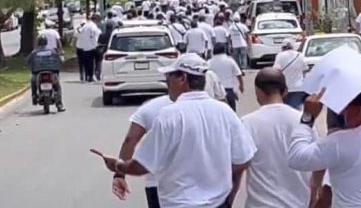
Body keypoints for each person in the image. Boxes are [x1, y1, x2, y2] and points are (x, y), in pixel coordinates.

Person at [91, 54, 257, 208]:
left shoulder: (170, 116)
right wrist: (220, 178)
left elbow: (142, 166)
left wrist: (117, 166)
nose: (166, 82)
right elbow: (244, 158)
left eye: (169, 77)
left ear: (182, 78)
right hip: (218, 203)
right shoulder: (225, 111)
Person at [235, 68, 319, 208]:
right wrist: (314, 193)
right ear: (285, 91)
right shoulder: (304, 121)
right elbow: (316, 162)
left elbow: (239, 165)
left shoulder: (248, 123)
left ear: (257, 91)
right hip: (298, 203)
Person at [111, 94, 173, 207]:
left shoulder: (151, 108)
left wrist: (119, 174)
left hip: (157, 185)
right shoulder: (212, 108)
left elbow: (130, 140)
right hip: (203, 186)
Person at [26, 36, 65, 112]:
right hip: (52, 71)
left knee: (33, 83)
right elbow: (59, 60)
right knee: (57, 87)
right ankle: (59, 105)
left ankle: (34, 97)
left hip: (37, 73)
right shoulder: (52, 51)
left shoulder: (34, 52)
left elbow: (28, 61)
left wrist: (32, 66)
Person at [273, 38, 308, 110]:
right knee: (296, 110)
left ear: (282, 47)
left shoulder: (280, 55)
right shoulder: (300, 55)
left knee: (285, 110)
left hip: (284, 88)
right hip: (298, 87)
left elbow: (276, 71)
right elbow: (305, 70)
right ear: (293, 47)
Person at [208, 43, 243, 111]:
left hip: (215, 92)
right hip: (228, 90)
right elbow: (238, 74)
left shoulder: (209, 62)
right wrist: (241, 85)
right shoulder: (230, 60)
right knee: (232, 112)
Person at [77, 16, 102, 82]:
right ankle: (96, 73)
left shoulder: (85, 26)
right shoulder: (94, 26)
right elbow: (97, 34)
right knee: (98, 60)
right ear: (95, 20)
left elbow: (80, 32)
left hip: (86, 47)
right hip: (94, 46)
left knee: (88, 63)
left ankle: (89, 76)